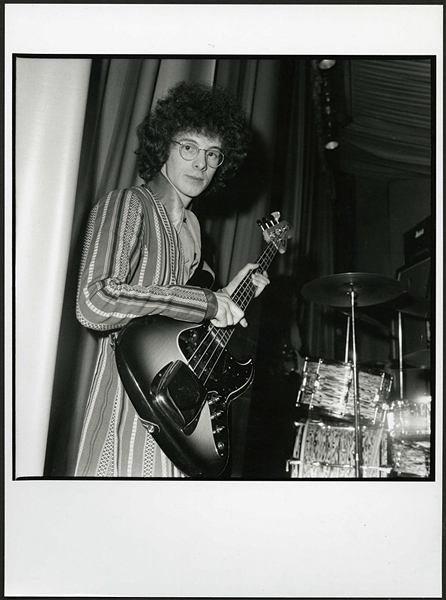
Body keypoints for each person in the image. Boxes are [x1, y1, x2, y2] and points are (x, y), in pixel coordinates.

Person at [74, 80, 269, 477]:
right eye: (189, 147)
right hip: (129, 405)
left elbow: (176, 318)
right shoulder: (131, 204)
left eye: (213, 154)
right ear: (164, 145)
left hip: (181, 414)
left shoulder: (194, 230)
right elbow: (94, 302)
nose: (201, 164)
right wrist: (208, 303)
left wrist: (229, 294)